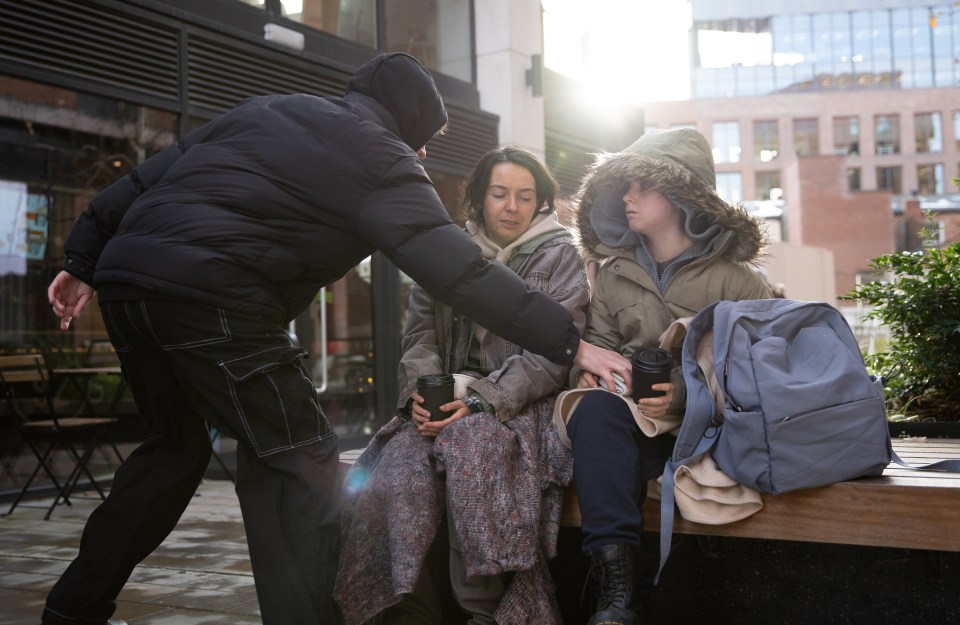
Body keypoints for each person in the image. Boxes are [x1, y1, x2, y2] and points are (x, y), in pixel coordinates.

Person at [44, 53, 628, 625]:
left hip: (127, 286)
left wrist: (84, 258)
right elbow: (459, 271)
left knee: (172, 451)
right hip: (216, 299)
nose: (420, 152)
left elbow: (148, 175)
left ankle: (72, 608)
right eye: (421, 137)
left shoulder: (267, 109)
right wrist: (569, 342)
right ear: (403, 122)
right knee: (302, 463)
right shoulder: (381, 157)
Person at [334, 145, 589, 625]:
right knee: (401, 461)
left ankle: (484, 611)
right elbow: (419, 335)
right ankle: (404, 606)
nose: (511, 206)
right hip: (444, 399)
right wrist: (420, 395)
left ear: (540, 203)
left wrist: (483, 401)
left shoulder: (561, 256)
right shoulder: (446, 253)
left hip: (518, 404)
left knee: (474, 449)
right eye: (499, 194)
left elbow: (554, 356)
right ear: (479, 197)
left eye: (524, 196)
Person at [556, 128, 773, 625]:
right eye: (624, 186)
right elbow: (600, 348)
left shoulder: (738, 279)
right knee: (591, 411)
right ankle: (616, 582)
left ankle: (625, 596)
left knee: (621, 465)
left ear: (679, 192)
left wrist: (682, 397)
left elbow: (762, 372)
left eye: (642, 186)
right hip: (633, 420)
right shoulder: (612, 273)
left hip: (709, 433)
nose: (627, 197)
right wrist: (587, 373)